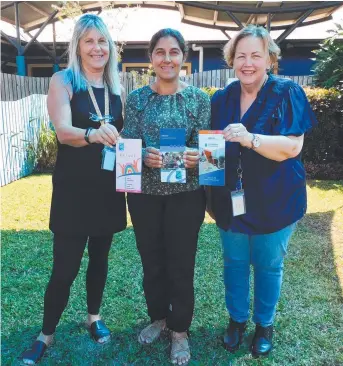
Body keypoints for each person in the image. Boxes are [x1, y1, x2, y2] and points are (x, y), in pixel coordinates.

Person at [21, 14, 127, 364]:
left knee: (100, 260)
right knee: (64, 268)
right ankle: (45, 334)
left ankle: (93, 318)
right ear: (78, 47)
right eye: (89, 41)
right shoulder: (63, 81)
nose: (97, 48)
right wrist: (91, 135)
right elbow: (64, 130)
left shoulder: (115, 88)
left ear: (109, 47)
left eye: (102, 42)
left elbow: (121, 138)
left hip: (108, 191)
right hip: (73, 193)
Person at [210, 25, 317, 358]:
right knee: (234, 262)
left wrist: (250, 138)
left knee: (268, 265)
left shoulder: (286, 93)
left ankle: (264, 324)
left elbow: (291, 147)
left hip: (276, 199)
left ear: (269, 58)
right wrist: (208, 191)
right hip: (231, 200)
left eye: (256, 55)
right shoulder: (221, 98)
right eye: (240, 55)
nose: (248, 63)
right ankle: (237, 320)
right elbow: (212, 149)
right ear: (231, 60)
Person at [121, 28, 210, 365]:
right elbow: (127, 146)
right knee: (152, 262)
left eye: (174, 51)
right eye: (160, 51)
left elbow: (211, 154)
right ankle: (159, 317)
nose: (167, 58)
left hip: (186, 196)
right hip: (144, 196)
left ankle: (180, 330)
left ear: (183, 58)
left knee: (181, 264)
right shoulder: (138, 99)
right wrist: (143, 155)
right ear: (151, 58)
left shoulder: (199, 100)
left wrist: (196, 155)